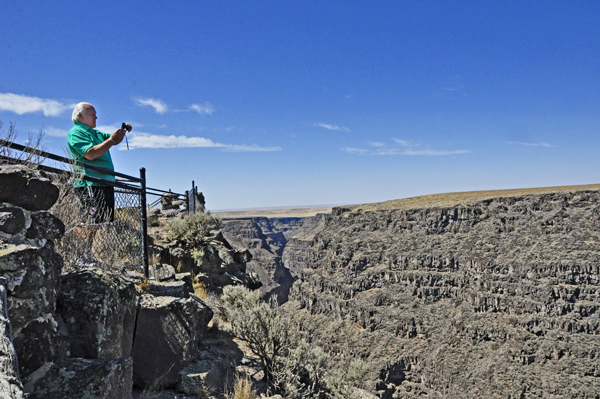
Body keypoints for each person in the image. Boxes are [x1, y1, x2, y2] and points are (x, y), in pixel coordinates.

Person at [67, 102, 131, 223]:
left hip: (104, 183)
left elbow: (113, 139)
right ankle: (84, 243)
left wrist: (121, 133)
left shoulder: (95, 133)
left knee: (104, 221)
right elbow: (90, 154)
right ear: (80, 116)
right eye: (93, 114)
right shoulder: (76, 132)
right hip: (90, 184)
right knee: (91, 223)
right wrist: (112, 140)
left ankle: (96, 242)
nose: (96, 117)